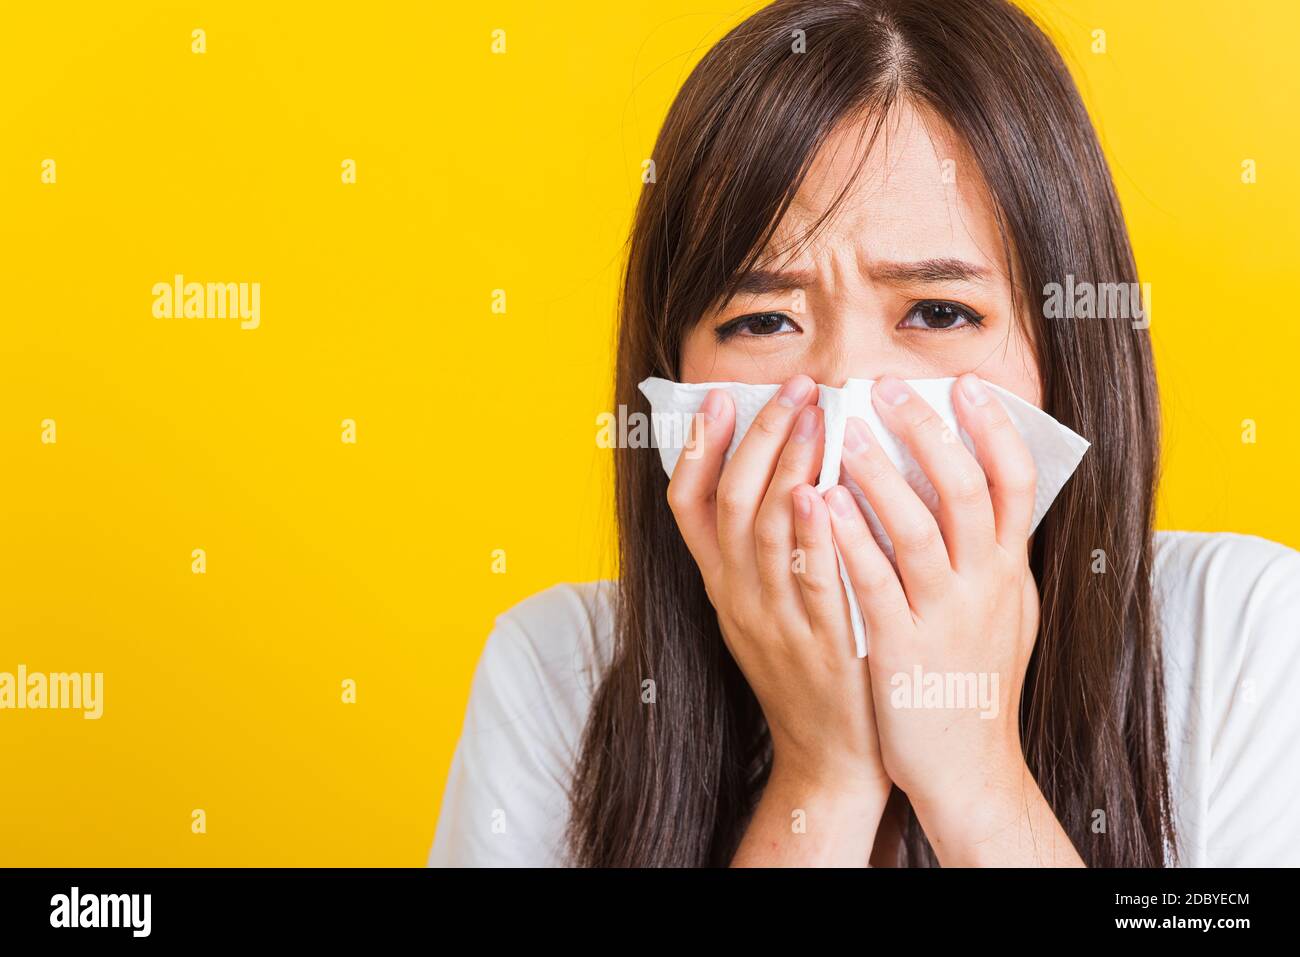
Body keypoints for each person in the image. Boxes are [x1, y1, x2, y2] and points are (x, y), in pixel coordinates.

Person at [429, 0, 1300, 867]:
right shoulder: (555, 675)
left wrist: (977, 777)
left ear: (1069, 360)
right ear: (673, 371)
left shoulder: (1243, 639)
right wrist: (822, 778)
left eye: (938, 311)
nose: (843, 392)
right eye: (764, 321)